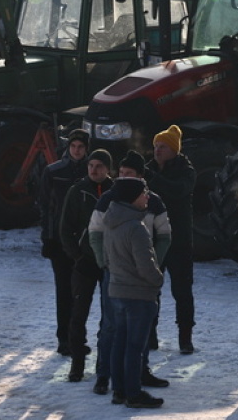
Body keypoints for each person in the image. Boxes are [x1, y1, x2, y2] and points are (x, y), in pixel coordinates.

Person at [89, 151, 171, 395]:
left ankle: (139, 372)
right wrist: (106, 263)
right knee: (112, 327)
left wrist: (153, 264)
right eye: (121, 173)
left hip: (142, 277)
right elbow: (95, 234)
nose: (122, 178)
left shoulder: (152, 203)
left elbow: (164, 236)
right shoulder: (108, 201)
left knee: (140, 329)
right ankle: (104, 375)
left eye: (129, 174)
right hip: (117, 274)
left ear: (140, 177)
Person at [102, 177, 166, 409]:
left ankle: (119, 390)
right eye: (144, 193)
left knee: (120, 343)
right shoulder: (135, 228)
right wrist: (158, 280)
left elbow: (107, 259)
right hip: (138, 295)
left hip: (117, 291)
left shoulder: (111, 223)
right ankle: (134, 393)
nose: (147, 197)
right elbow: (146, 266)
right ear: (132, 197)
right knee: (135, 348)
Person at [60, 149, 114, 382]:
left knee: (110, 317)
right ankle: (77, 364)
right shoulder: (77, 191)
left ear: (108, 169)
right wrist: (77, 255)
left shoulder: (117, 192)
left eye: (99, 166)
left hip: (111, 264)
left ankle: (105, 364)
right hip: (85, 262)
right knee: (78, 315)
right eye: (91, 165)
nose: (94, 170)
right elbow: (65, 228)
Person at [144, 125, 197, 354]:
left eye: (163, 146)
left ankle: (185, 338)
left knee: (182, 291)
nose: (157, 150)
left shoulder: (186, 171)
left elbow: (178, 190)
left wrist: (152, 179)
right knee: (150, 290)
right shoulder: (148, 170)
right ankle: (150, 335)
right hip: (154, 239)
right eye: (156, 146)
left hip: (179, 240)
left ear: (174, 150)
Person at [39, 129, 90, 356]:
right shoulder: (54, 172)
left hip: (85, 243)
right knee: (64, 291)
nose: (77, 151)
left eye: (81, 147)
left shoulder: (94, 173)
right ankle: (64, 339)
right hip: (60, 242)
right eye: (73, 147)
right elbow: (46, 209)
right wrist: (48, 238)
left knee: (82, 293)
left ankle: (77, 338)